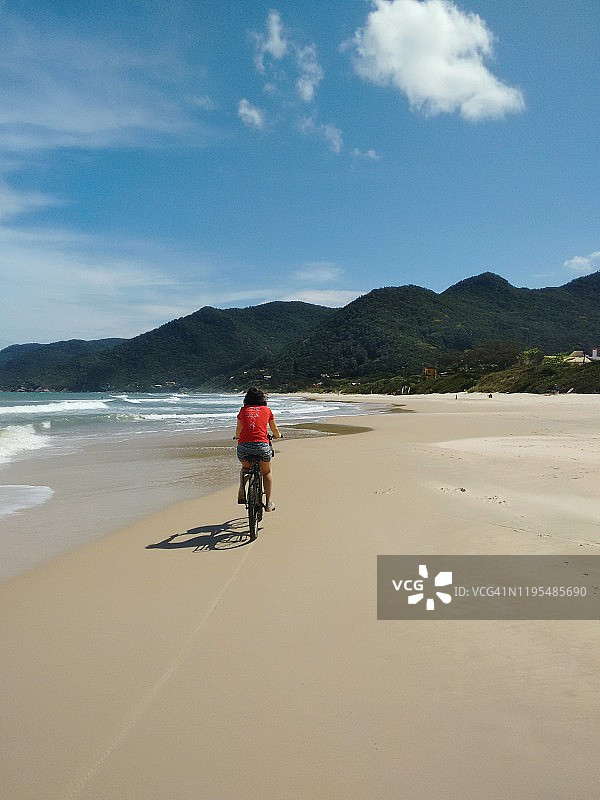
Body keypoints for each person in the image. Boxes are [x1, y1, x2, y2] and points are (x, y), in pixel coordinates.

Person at [235, 387, 281, 511]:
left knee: (245, 468)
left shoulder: (243, 411)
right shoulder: (267, 410)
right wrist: (278, 436)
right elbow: (275, 430)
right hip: (262, 447)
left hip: (244, 447)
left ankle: (241, 488)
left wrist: (237, 437)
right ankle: (269, 503)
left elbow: (239, 430)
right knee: (266, 472)